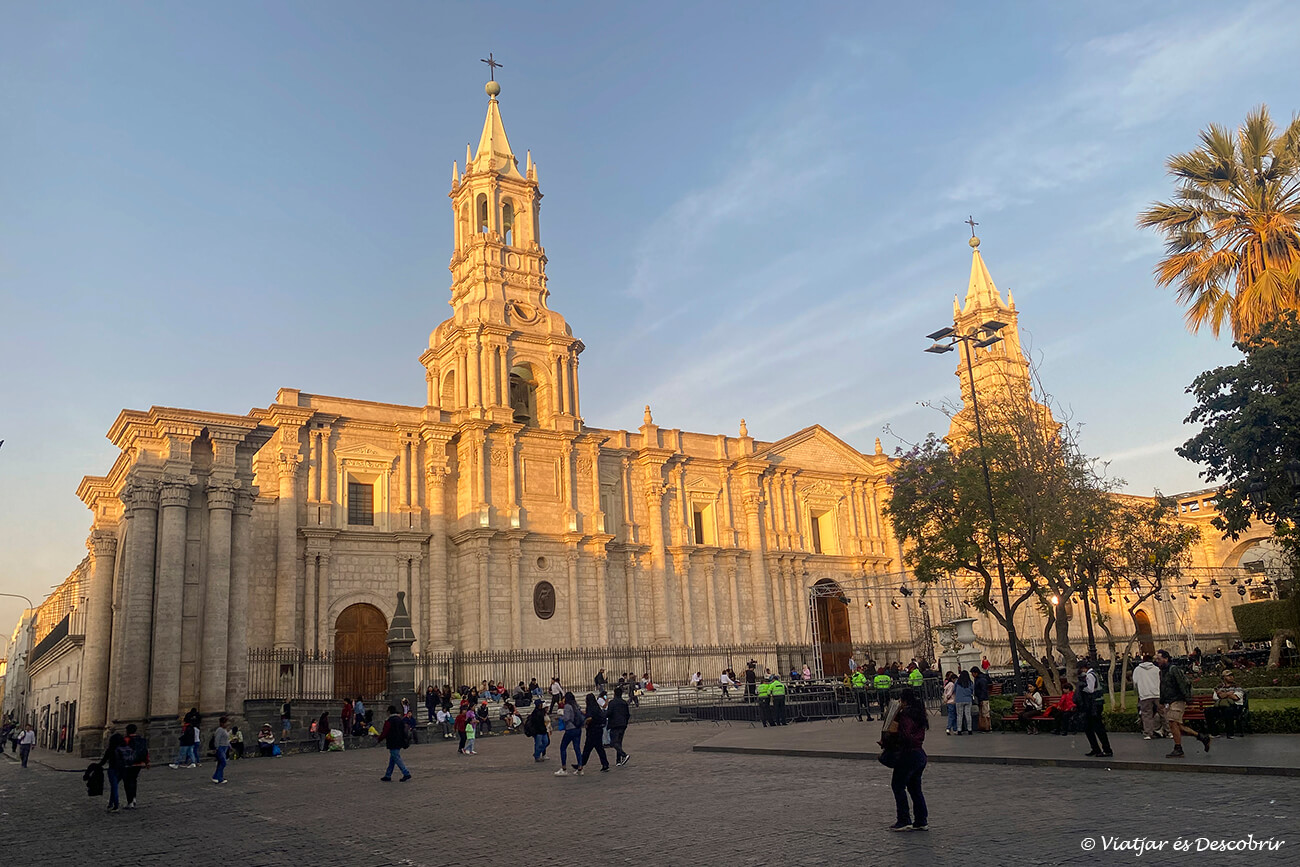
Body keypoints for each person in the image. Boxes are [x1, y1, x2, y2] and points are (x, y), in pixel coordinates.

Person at [884, 688, 929, 832]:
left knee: (897, 785)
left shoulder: (905, 715)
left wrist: (891, 741)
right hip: (919, 754)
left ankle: (904, 820)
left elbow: (906, 734)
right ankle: (921, 820)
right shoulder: (920, 713)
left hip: (908, 754)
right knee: (915, 788)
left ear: (904, 701)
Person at [1156, 649, 1211, 758]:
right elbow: (1162, 687)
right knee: (1177, 726)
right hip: (1170, 701)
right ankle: (1202, 737)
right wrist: (1162, 701)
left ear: (1166, 658)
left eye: (1159, 658)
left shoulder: (1173, 669)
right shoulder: (1162, 671)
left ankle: (1178, 748)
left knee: (1172, 723)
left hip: (1178, 700)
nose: (1157, 661)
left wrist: (1188, 699)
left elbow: (1182, 684)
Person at [1078, 660, 1113, 758]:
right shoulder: (1094, 673)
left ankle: (1106, 749)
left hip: (1094, 704)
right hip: (1096, 703)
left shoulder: (1090, 676)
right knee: (1089, 727)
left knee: (1097, 727)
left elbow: (1090, 689)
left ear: (1084, 668)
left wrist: (1082, 688)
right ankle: (1096, 748)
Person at [375, 705, 412, 781]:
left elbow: (385, 732)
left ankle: (406, 773)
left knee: (396, 758)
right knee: (393, 759)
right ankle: (388, 775)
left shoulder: (389, 721)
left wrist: (379, 738)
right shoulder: (400, 719)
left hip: (392, 741)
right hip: (400, 740)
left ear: (389, 712)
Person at [1133, 654, 1165, 740]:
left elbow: (1135, 682)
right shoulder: (1156, 669)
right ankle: (1169, 731)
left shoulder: (1137, 670)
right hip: (1157, 693)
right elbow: (1161, 680)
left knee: (1146, 715)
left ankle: (1148, 733)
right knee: (1163, 713)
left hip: (1144, 694)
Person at [1207, 671, 1245, 738]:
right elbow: (1215, 697)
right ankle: (1214, 733)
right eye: (1228, 676)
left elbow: (1236, 697)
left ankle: (1230, 733)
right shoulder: (1218, 687)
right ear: (1223, 677)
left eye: (1232, 675)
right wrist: (1228, 694)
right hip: (1221, 706)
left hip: (1235, 707)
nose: (1231, 677)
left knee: (1228, 710)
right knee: (1208, 710)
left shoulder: (1238, 687)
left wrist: (1223, 694)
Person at [579, 692, 610, 773]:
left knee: (587, 749)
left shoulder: (590, 708)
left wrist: (585, 722)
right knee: (599, 748)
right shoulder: (596, 707)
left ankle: (581, 764)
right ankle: (605, 764)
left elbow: (590, 718)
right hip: (598, 730)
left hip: (592, 731)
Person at [120, 723, 149, 808]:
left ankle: (130, 802)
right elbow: (145, 751)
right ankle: (134, 798)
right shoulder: (141, 739)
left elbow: (121, 752)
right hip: (139, 763)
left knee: (127, 782)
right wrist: (147, 762)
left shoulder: (125, 740)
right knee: (134, 780)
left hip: (128, 764)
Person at [555, 691, 583, 776]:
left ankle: (564, 768)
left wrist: (560, 717)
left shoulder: (567, 706)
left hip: (570, 729)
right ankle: (580, 767)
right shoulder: (576, 705)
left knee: (563, 747)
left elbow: (567, 718)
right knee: (577, 748)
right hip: (578, 729)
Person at [101, 729, 126, 812]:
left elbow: (104, 761)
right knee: (114, 787)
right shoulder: (124, 748)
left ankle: (116, 805)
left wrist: (96, 766)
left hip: (113, 769)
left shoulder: (110, 749)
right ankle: (111, 804)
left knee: (114, 787)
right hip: (122, 770)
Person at [607, 686, 631, 767]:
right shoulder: (624, 703)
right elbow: (628, 714)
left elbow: (609, 713)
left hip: (614, 724)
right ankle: (618, 761)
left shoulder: (612, 703)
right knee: (619, 743)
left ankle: (624, 755)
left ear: (614, 694)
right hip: (623, 724)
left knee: (613, 742)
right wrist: (625, 723)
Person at [971, 666, 992, 732]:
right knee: (982, 713)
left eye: (972, 673)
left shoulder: (981, 679)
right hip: (981, 697)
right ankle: (984, 726)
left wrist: (981, 698)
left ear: (976, 673)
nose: (972, 675)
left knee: (985, 713)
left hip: (983, 698)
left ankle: (987, 727)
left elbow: (983, 690)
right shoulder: (978, 678)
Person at [211, 717, 230, 784]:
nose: (227, 724)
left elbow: (226, 739)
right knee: (223, 762)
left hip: (225, 747)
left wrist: (229, 746)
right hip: (220, 747)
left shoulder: (224, 730)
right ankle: (219, 778)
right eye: (226, 722)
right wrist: (217, 747)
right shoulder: (220, 730)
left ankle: (216, 776)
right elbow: (217, 739)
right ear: (222, 723)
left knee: (220, 763)